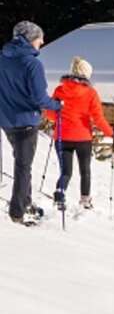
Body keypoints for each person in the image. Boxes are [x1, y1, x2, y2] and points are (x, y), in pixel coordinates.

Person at [0, 21, 63, 224]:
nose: (42, 42)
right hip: (26, 121)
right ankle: (18, 212)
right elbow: (39, 99)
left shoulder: (3, 58)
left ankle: (25, 203)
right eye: (39, 38)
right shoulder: (32, 64)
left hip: (7, 121)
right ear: (29, 39)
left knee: (21, 162)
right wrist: (57, 105)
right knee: (23, 166)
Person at [45, 56, 114, 210]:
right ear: (86, 74)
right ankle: (85, 200)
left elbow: (49, 114)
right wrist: (109, 132)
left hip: (62, 136)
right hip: (83, 137)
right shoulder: (91, 93)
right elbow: (98, 117)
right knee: (85, 171)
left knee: (65, 171)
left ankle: (60, 194)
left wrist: (60, 116)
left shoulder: (60, 90)